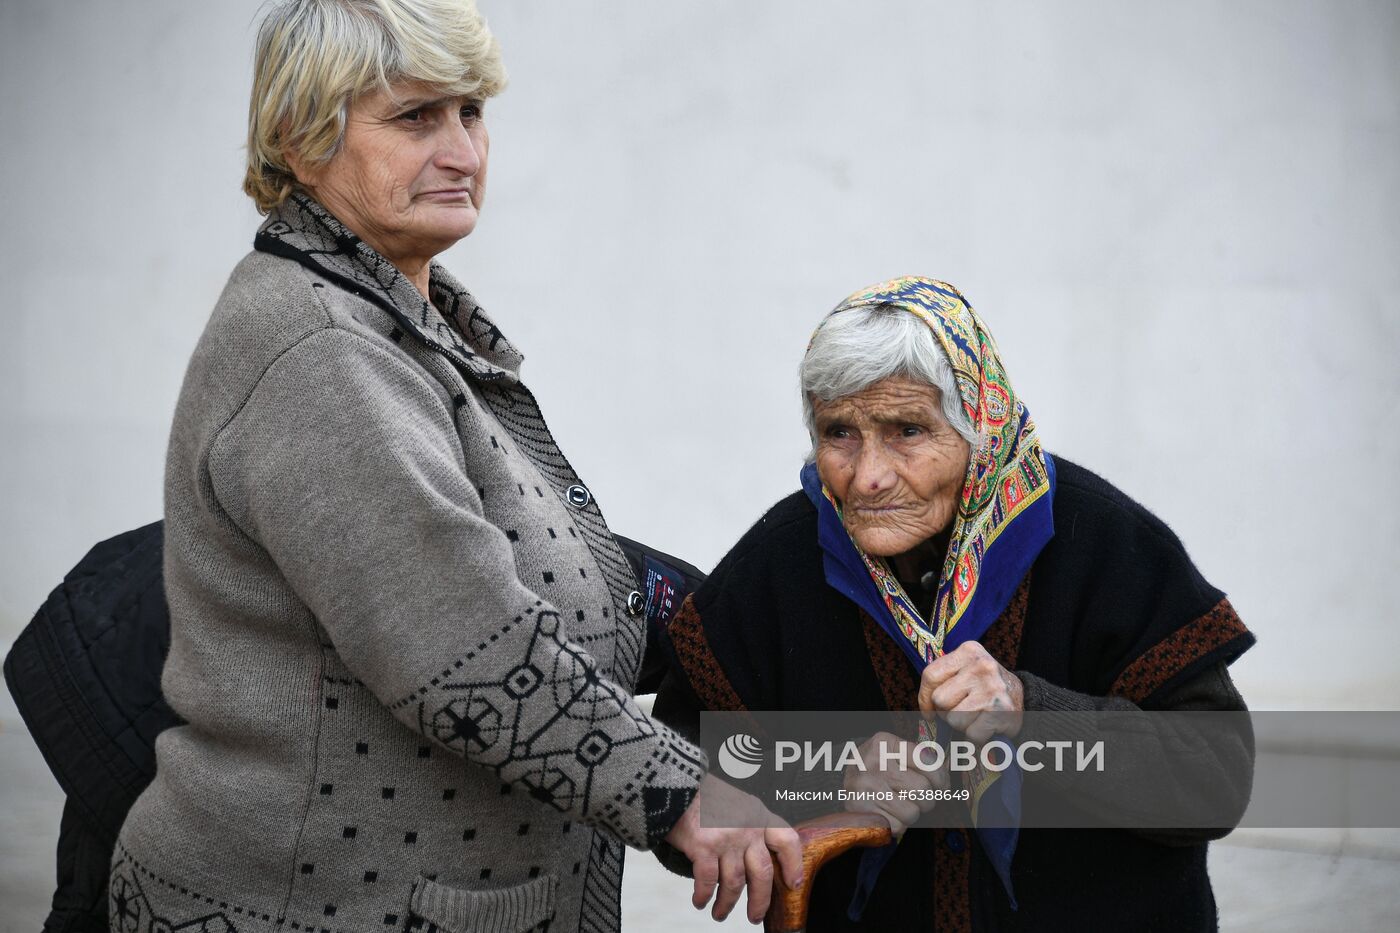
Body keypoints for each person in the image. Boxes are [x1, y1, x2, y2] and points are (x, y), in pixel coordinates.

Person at [108, 3, 800, 932]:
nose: (464, 152)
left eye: (471, 112)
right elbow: (461, 653)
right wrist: (683, 796)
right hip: (302, 905)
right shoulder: (319, 352)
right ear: (299, 139)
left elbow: (520, 557)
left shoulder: (389, 317)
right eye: (414, 118)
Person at [654, 276, 1255, 931]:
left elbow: (1215, 777)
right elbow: (673, 765)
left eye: (908, 429)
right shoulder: (784, 556)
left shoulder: (1100, 540)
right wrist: (822, 773)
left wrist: (1031, 714)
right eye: (839, 433)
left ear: (981, 427)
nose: (868, 475)